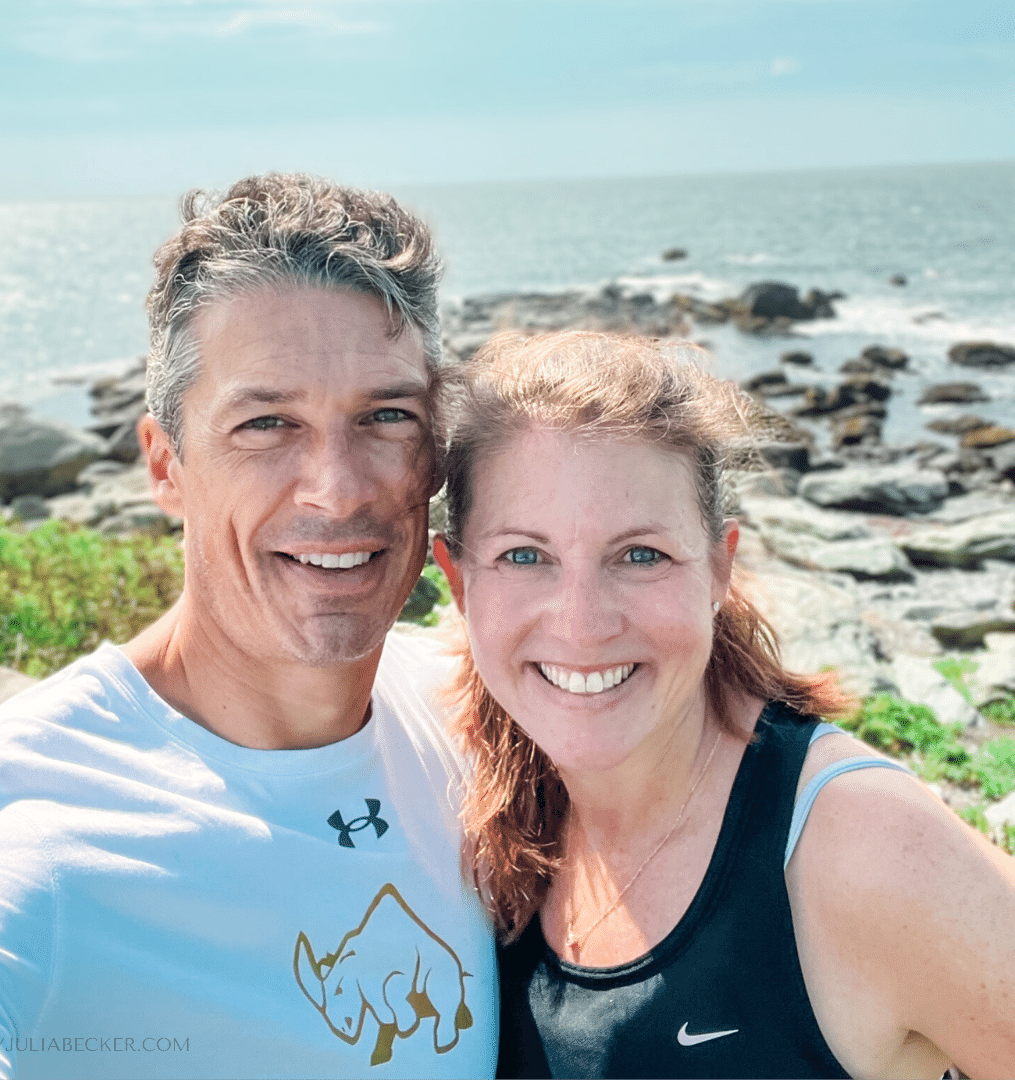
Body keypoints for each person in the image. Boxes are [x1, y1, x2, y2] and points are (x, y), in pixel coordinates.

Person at [0, 174, 496, 1080]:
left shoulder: (477, 718)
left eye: (386, 416)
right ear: (165, 466)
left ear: (435, 452)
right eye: (266, 423)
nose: (337, 488)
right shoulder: (12, 822)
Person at [432, 330, 1015, 1080]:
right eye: (524, 555)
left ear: (718, 568)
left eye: (641, 554)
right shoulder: (470, 799)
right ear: (458, 581)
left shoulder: (861, 847)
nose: (583, 624)